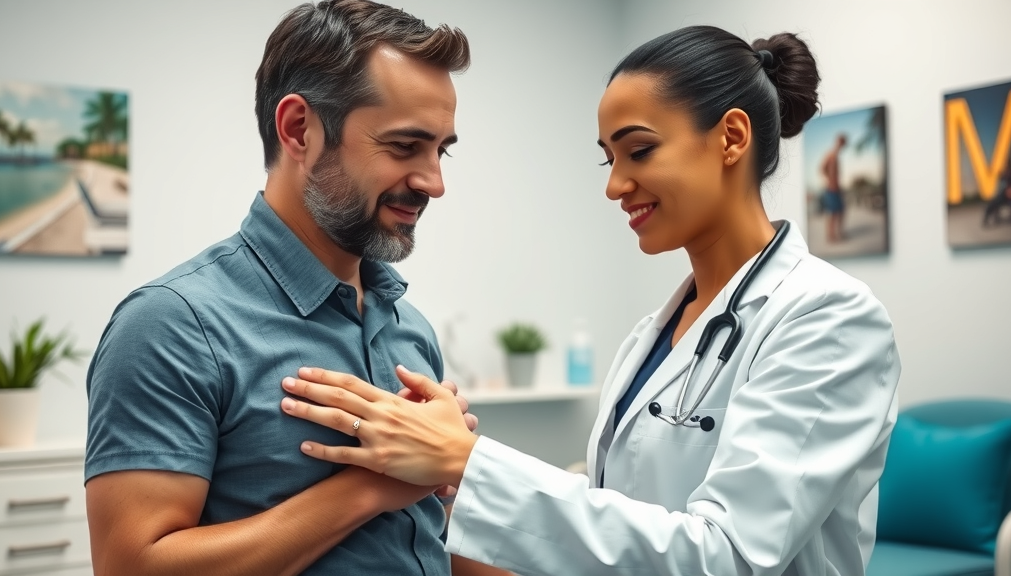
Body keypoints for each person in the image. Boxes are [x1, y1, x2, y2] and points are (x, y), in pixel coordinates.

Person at [280, 25, 902, 576]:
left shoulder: (828, 318)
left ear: (731, 137)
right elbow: (617, 518)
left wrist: (467, 462)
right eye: (608, 160)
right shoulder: (653, 337)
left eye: (639, 151)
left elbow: (730, 558)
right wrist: (444, 473)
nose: (615, 186)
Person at [83, 2, 506, 575]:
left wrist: (455, 472)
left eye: (441, 149)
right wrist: (369, 486)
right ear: (298, 129)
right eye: (405, 146)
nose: (434, 181)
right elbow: (132, 566)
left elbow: (433, 534)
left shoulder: (410, 328)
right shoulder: (171, 325)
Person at [820, 133, 848, 242]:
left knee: (841, 211)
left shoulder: (835, 155)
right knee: (833, 213)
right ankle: (831, 235)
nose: (842, 145)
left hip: (836, 188)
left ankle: (838, 233)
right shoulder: (831, 154)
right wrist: (830, 181)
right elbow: (822, 168)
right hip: (831, 189)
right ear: (838, 142)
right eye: (842, 143)